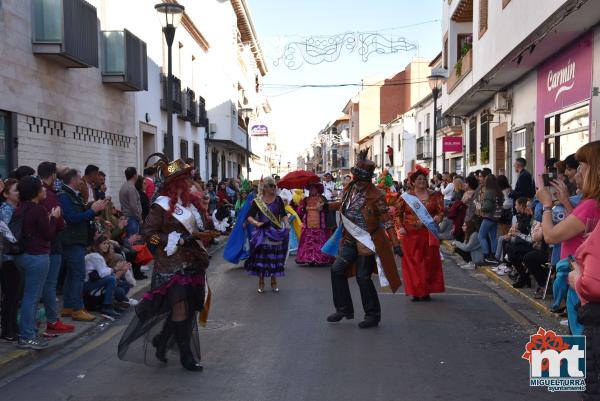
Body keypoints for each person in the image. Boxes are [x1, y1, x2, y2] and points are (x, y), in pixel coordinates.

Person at [119, 154, 214, 371]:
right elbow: (147, 233)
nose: (191, 181)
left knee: (188, 310)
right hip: (170, 266)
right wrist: (169, 239)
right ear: (176, 183)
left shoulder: (190, 204)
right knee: (179, 308)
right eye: (186, 178)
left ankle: (162, 341)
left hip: (191, 263)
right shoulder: (160, 206)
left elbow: (197, 230)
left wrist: (207, 224)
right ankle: (186, 356)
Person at [326, 152, 402, 329]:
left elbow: (387, 220)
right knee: (337, 270)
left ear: (368, 180)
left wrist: (396, 244)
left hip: (367, 242)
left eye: (362, 179)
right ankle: (343, 309)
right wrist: (326, 205)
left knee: (363, 278)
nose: (359, 182)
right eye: (357, 178)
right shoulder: (350, 189)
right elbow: (344, 205)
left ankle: (373, 315)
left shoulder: (376, 195)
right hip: (349, 239)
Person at [14, 176, 60, 349]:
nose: (44, 191)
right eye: (41, 189)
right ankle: (27, 336)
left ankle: (29, 331)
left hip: (22, 256)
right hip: (37, 256)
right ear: (35, 192)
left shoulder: (20, 208)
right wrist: (54, 218)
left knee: (28, 296)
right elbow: (48, 234)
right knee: (32, 298)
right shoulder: (38, 209)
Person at [60, 169, 108, 322]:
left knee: (71, 275)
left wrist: (93, 207)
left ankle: (68, 306)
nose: (81, 181)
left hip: (77, 239)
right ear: (73, 180)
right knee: (78, 274)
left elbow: (79, 212)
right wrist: (91, 211)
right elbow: (72, 218)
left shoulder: (73, 195)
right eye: (79, 178)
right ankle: (77, 308)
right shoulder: (64, 196)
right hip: (72, 240)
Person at [394, 165, 444, 302]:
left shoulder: (435, 195)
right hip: (411, 235)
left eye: (424, 179)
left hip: (429, 234)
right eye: (419, 179)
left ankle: (426, 290)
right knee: (414, 263)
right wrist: (400, 227)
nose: (422, 181)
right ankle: (416, 291)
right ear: (413, 182)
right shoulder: (405, 197)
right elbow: (396, 214)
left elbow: (441, 211)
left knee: (428, 262)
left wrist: (438, 217)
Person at [37, 162, 74, 334]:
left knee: (43, 285)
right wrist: (60, 221)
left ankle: (42, 320)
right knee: (49, 284)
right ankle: (52, 320)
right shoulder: (48, 194)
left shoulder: (44, 192)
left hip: (45, 244)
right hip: (52, 243)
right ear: (52, 175)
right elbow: (56, 218)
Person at [245, 176, 289, 293]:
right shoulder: (258, 202)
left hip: (275, 232)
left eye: (274, 185)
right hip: (262, 233)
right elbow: (249, 216)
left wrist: (286, 223)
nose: (274, 188)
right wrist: (257, 223)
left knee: (274, 257)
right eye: (271, 186)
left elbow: (283, 214)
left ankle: (274, 281)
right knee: (262, 258)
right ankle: (261, 281)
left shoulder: (278, 200)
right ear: (264, 187)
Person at [84, 236, 127, 319]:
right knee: (111, 279)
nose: (106, 246)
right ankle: (107, 306)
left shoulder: (98, 256)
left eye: (107, 244)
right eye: (103, 243)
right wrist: (116, 268)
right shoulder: (95, 256)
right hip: (87, 284)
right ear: (97, 245)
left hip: (92, 283)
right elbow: (102, 273)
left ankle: (112, 304)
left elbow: (105, 271)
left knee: (123, 284)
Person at [295, 183, 335, 266]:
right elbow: (300, 212)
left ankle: (320, 258)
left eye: (313, 188)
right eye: (310, 188)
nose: (311, 190)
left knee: (319, 241)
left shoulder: (322, 198)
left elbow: (327, 209)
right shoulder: (306, 199)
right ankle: (309, 259)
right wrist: (301, 206)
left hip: (320, 225)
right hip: (308, 224)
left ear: (318, 189)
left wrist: (322, 206)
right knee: (308, 242)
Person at [0, 179, 20, 341]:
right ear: (6, 194)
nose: (19, 192)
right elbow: (6, 234)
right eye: (16, 190)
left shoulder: (15, 208)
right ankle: (8, 329)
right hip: (7, 258)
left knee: (14, 294)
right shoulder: (6, 210)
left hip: (14, 257)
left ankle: (12, 326)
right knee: (10, 294)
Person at [478, 174, 503, 263]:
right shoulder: (499, 192)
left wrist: (480, 207)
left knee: (481, 236)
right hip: (496, 217)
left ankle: (486, 255)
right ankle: (494, 256)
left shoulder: (489, 192)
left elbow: (487, 207)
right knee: (493, 237)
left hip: (489, 217)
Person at [119, 167, 142, 237]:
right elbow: (133, 206)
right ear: (135, 175)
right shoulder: (131, 188)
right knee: (133, 243)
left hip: (127, 218)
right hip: (132, 219)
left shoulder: (124, 186)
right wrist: (139, 218)